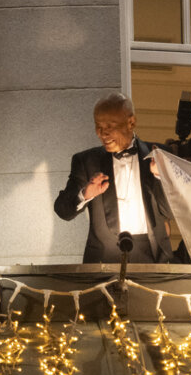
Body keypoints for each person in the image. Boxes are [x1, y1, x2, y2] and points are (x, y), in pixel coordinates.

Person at [54, 92, 180, 263]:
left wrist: (159, 176)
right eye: (98, 126)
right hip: (104, 260)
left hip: (153, 257)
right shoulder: (86, 161)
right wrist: (85, 194)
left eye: (109, 126)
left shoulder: (159, 154)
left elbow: (173, 212)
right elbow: (63, 211)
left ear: (131, 122)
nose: (102, 133)